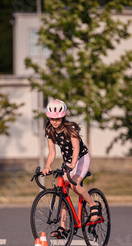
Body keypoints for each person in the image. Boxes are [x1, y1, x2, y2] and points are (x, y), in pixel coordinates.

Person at [42, 99, 101, 238]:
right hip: (68, 162)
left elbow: (76, 148)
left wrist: (73, 165)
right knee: (62, 192)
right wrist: (47, 166)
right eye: (51, 118)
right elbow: (52, 152)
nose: (54, 121)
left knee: (74, 185)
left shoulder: (70, 130)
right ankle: (63, 228)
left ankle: (93, 205)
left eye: (57, 118)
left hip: (81, 158)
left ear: (63, 116)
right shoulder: (49, 130)